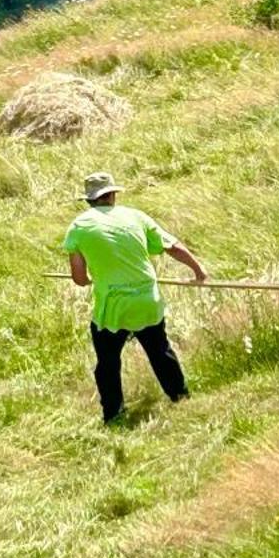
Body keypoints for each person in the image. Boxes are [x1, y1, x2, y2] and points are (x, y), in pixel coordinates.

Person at [63, 171, 207, 423]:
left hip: (114, 308)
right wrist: (198, 271)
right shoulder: (135, 216)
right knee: (160, 350)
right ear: (112, 195)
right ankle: (180, 397)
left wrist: (88, 280)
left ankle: (114, 413)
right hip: (146, 300)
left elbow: (79, 278)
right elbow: (171, 246)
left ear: (89, 200)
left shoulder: (79, 227)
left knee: (107, 362)